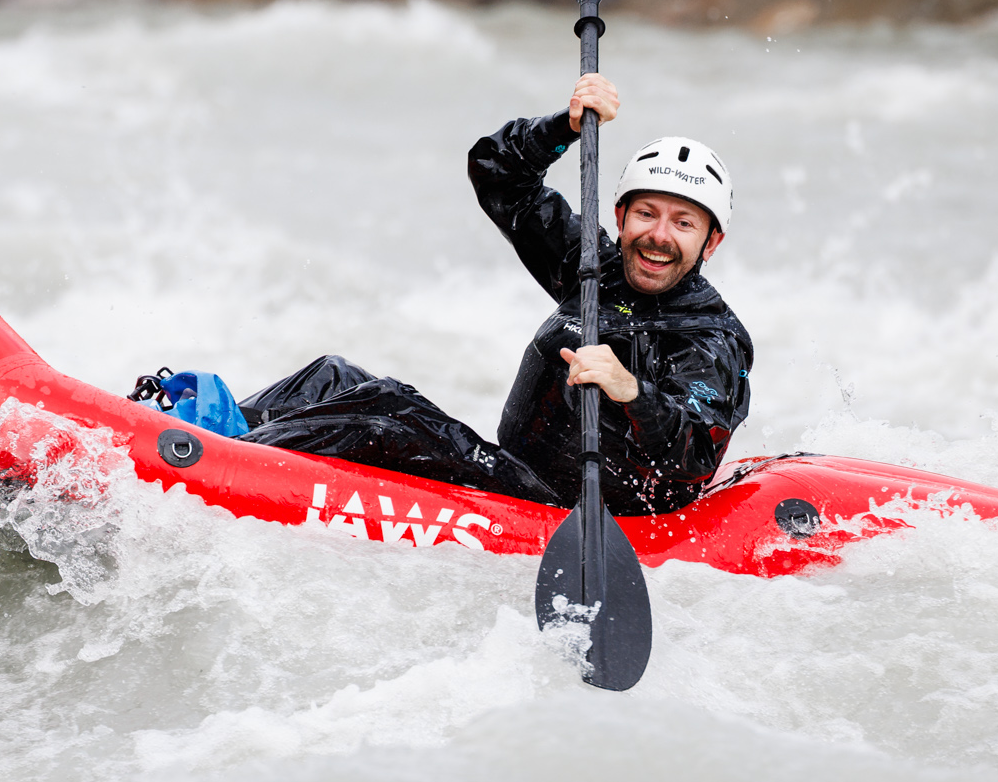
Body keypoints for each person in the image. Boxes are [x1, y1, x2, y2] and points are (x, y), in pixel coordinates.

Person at [236, 73, 753, 514]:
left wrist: (631, 392)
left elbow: (695, 455)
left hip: (565, 510)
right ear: (620, 217)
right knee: (333, 377)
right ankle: (197, 424)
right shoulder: (592, 267)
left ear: (712, 242)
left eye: (683, 223)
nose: (659, 236)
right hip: (511, 474)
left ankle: (226, 467)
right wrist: (562, 127)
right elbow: (499, 175)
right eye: (646, 213)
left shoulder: (710, 337)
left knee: (387, 408)